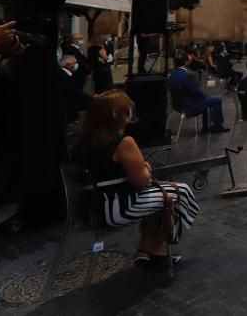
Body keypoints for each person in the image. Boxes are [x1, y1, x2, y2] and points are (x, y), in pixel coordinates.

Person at [73, 90, 200, 266]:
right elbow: (141, 181)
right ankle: (155, 250)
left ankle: (145, 251)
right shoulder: (123, 142)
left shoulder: (82, 143)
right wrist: (146, 168)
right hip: (116, 209)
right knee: (180, 192)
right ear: (118, 114)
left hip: (88, 209)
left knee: (161, 196)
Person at [168, 54, 230, 133]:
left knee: (207, 99)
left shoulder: (173, 75)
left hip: (178, 105)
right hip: (189, 105)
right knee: (217, 100)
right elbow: (197, 93)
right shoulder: (186, 76)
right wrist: (204, 95)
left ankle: (206, 127)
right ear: (186, 62)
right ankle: (217, 126)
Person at [58, 54, 92, 119]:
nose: (77, 65)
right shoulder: (65, 77)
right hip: (68, 113)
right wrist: (91, 99)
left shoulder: (65, 75)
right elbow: (75, 94)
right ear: (68, 65)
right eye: (75, 63)